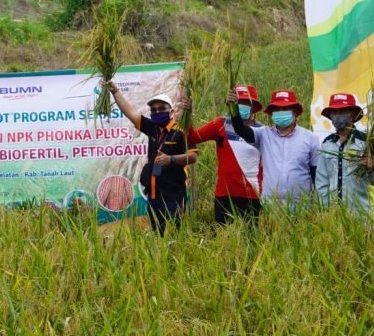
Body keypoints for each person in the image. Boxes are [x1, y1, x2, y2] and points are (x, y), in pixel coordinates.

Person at [107, 82, 198, 234]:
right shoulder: (152, 129)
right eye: (154, 110)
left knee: (176, 233)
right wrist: (115, 91)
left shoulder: (182, 131)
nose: (157, 112)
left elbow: (193, 156)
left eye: (162, 108)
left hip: (174, 194)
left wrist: (171, 159)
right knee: (158, 234)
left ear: (172, 111)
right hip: (154, 193)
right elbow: (130, 113)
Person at [185, 85, 264, 224]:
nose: (241, 106)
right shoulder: (220, 124)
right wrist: (187, 114)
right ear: (231, 104)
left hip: (253, 193)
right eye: (238, 103)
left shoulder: (262, 131)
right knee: (224, 237)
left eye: (245, 103)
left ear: (254, 107)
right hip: (225, 193)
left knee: (252, 238)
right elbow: (194, 137)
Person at [230, 88, 319, 208]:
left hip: (301, 206)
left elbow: (316, 174)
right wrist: (234, 109)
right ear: (271, 114)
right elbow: (241, 129)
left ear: (295, 112)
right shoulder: (263, 134)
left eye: (285, 109)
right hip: (270, 205)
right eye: (277, 110)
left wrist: (318, 205)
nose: (281, 112)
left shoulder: (310, 138)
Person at [316, 93, 374, 212]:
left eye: (342, 111)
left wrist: (371, 168)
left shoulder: (365, 142)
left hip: (360, 213)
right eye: (335, 112)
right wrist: (324, 210)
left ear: (352, 114)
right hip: (333, 215)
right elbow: (321, 181)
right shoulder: (327, 143)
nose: (338, 116)